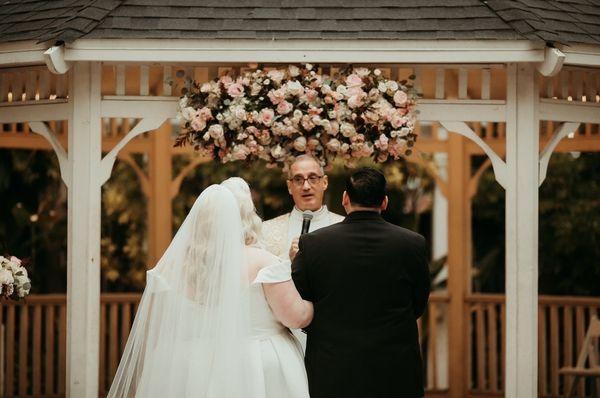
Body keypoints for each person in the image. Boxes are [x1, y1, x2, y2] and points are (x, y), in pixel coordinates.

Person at [107, 180, 312, 398]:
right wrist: (313, 305)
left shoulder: (171, 269)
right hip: (257, 367)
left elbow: (157, 328)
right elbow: (296, 318)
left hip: (189, 368)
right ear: (247, 218)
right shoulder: (264, 263)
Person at [292, 167, 431, 398]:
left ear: (345, 198)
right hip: (395, 366)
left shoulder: (313, 244)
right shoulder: (412, 244)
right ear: (384, 202)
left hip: (333, 365)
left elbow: (300, 300)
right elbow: (418, 303)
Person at [262, 154, 344, 261]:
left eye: (312, 178)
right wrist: (289, 260)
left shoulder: (345, 226)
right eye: (298, 179)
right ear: (289, 187)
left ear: (324, 182)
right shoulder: (267, 229)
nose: (306, 187)